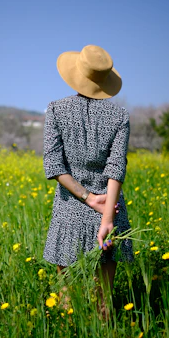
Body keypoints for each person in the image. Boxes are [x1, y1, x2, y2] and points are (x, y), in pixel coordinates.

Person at [43, 44, 133, 314]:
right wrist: (106, 217)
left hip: (70, 207)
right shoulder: (120, 116)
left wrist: (86, 197)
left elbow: (53, 165)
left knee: (66, 298)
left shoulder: (56, 110)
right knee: (104, 302)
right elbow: (116, 169)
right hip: (110, 206)